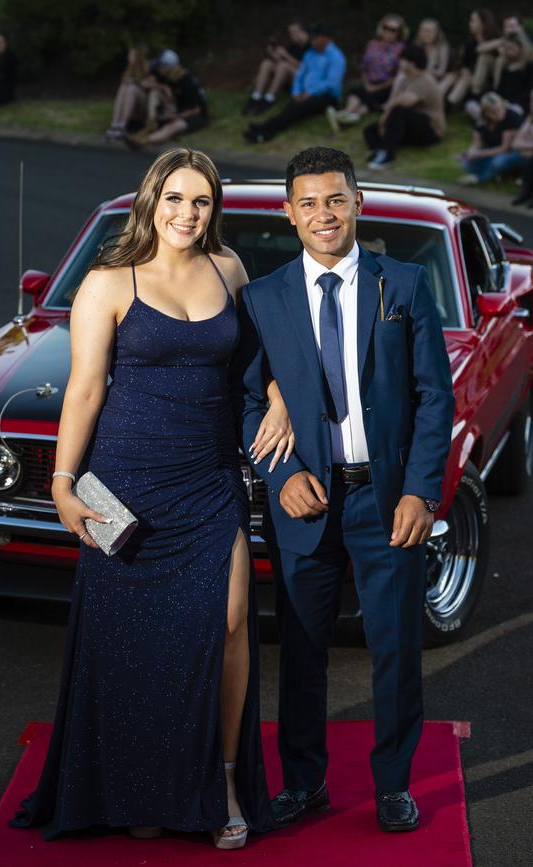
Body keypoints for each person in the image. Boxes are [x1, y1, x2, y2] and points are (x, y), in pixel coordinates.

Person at [9, 146, 295, 846]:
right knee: (133, 642)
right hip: (126, 482)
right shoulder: (109, 283)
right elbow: (84, 389)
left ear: (213, 208)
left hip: (208, 479)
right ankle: (138, 785)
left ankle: (222, 781)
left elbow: (255, 363)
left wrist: (282, 396)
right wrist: (62, 482)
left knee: (229, 624)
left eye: (200, 201)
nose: (186, 214)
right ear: (151, 200)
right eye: (174, 198)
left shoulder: (229, 268)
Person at [233, 145, 454, 835]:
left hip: (386, 497)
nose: (323, 214)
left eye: (335, 199)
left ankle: (393, 784)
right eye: (308, 202)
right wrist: (281, 474)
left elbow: (433, 398)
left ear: (358, 202)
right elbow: (243, 402)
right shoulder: (262, 299)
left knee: (394, 648)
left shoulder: (406, 284)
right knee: (301, 649)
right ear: (287, 214)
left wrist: (421, 490)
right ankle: (304, 782)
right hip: (304, 500)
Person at [244, 24, 346, 144]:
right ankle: (264, 130)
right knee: (289, 109)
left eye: (315, 38)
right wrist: (296, 92)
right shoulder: (310, 54)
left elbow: (332, 83)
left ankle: (266, 132)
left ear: (325, 38)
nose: (312, 41)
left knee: (296, 110)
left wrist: (310, 93)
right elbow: (300, 75)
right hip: (305, 94)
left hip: (327, 97)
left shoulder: (336, 56)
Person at [363, 44, 445, 170]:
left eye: (403, 60)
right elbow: (394, 101)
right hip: (409, 125)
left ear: (412, 63)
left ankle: (387, 155)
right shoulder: (405, 80)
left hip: (430, 129)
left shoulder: (425, 80)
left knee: (398, 112)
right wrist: (384, 122)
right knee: (370, 130)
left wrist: (384, 119)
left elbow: (402, 102)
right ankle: (378, 150)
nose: (399, 63)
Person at [326, 13, 406, 131]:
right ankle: (347, 114)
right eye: (386, 28)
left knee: (370, 98)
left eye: (393, 30)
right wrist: (367, 83)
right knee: (357, 92)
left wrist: (378, 87)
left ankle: (345, 117)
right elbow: (365, 67)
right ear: (381, 28)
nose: (388, 32)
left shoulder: (401, 49)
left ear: (399, 32)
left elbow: (399, 75)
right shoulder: (372, 44)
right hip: (368, 82)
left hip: (386, 86)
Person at [125, 50, 208, 148]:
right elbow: (147, 83)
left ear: (167, 67)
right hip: (177, 109)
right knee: (155, 93)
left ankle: (145, 141)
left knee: (173, 126)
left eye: (160, 66)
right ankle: (152, 123)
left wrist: (176, 116)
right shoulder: (168, 76)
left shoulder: (187, 82)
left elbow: (196, 110)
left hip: (193, 115)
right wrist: (163, 88)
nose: (158, 69)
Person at [242, 21, 310, 116]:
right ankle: (256, 97)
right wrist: (273, 54)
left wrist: (286, 56)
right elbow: (281, 61)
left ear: (303, 32)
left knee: (283, 66)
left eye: (294, 32)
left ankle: (270, 98)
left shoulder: (311, 46)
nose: (291, 35)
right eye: (290, 33)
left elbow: (306, 68)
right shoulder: (293, 45)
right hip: (289, 74)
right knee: (267, 63)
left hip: (305, 79)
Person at [459, 90, 524, 183]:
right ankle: (498, 174)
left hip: (511, 152)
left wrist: (478, 154)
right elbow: (477, 144)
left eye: (500, 108)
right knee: (467, 163)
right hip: (492, 151)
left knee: (498, 162)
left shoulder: (511, 117)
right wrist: (470, 153)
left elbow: (504, 148)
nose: (499, 113)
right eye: (493, 112)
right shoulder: (481, 122)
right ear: (486, 113)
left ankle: (481, 178)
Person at [444, 9, 500, 108]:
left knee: (483, 57)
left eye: (473, 21)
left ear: (483, 24)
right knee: (462, 76)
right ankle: (449, 103)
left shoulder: (496, 39)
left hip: (490, 81)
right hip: (471, 78)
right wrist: (464, 70)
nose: (469, 24)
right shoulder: (470, 44)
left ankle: (452, 104)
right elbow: (465, 63)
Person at [104, 45, 152, 140]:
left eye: (131, 55)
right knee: (124, 87)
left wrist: (135, 82)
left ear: (138, 56)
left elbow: (149, 85)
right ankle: (115, 124)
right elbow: (125, 80)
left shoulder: (148, 67)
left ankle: (122, 125)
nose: (129, 58)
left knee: (132, 88)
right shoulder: (129, 69)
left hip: (145, 102)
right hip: (133, 98)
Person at [511, 90, 533, 206]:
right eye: (531, 100)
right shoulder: (530, 118)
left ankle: (527, 193)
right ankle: (526, 193)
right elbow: (516, 144)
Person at [415, 18, 450, 84]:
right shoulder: (417, 46)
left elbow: (441, 71)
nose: (427, 34)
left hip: (436, 81)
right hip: (418, 78)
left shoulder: (442, 47)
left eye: (430, 31)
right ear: (419, 33)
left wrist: (421, 72)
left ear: (436, 33)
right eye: (424, 31)